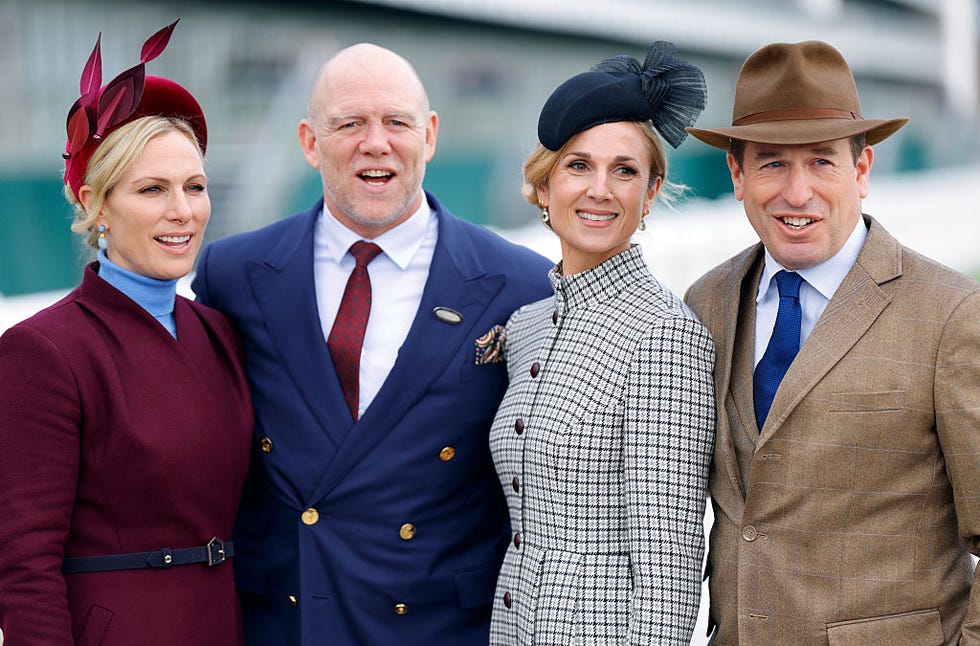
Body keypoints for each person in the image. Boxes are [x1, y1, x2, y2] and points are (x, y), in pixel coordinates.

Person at [191, 43, 553, 645]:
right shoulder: (233, 273)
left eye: (396, 123)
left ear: (429, 135)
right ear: (310, 142)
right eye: (349, 124)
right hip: (286, 622)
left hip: (441, 626)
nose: (376, 143)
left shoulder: (521, 283)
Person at [684, 40, 980, 645]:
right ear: (737, 175)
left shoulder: (952, 315)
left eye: (821, 161)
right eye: (771, 164)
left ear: (862, 170)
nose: (797, 194)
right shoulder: (706, 303)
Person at [0, 21, 252, 646]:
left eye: (195, 187)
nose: (182, 211)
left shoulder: (217, 331)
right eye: (152, 190)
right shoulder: (44, 351)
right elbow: (24, 565)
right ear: (97, 205)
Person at [488, 41, 716, 644]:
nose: (600, 189)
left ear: (650, 193)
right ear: (544, 186)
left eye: (625, 170)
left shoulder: (663, 336)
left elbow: (668, 571)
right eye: (578, 166)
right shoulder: (527, 326)